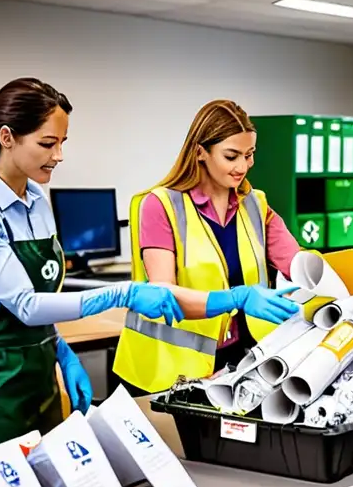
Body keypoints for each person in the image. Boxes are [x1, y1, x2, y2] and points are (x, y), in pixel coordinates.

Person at [0, 78, 187, 447]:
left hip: (40, 372)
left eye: (62, 143)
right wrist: (123, 293)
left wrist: (62, 350)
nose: (58, 156)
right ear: (7, 138)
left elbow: (41, 298)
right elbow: (24, 305)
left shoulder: (37, 200)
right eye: (47, 143)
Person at [113, 99, 300, 393]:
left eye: (250, 155)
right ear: (200, 151)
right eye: (231, 156)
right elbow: (164, 295)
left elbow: (299, 264)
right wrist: (237, 297)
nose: (243, 166)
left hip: (236, 363)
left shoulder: (254, 204)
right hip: (166, 372)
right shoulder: (160, 206)